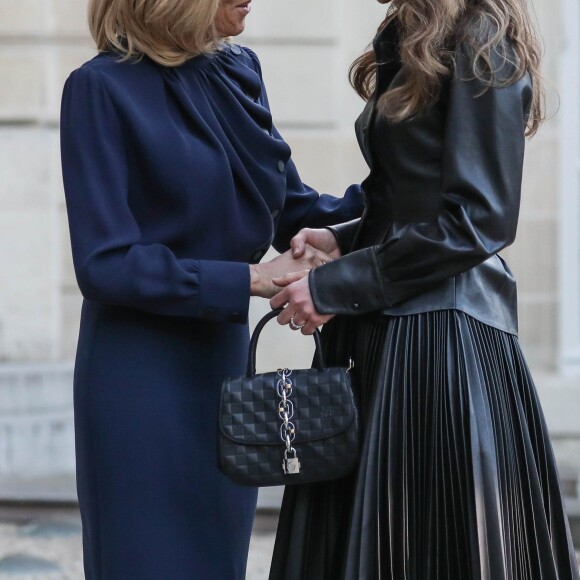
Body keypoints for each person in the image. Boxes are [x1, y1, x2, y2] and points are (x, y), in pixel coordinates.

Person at [269, 0, 580, 578]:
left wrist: (336, 285)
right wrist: (343, 239)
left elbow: (479, 219)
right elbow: (407, 194)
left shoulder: (479, 35)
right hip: (390, 333)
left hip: (441, 346)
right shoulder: (408, 28)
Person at [59, 0, 363, 577]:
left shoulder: (238, 70)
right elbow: (104, 262)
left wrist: (404, 199)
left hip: (221, 375)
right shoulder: (99, 88)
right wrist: (248, 278)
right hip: (136, 382)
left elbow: (291, 208)